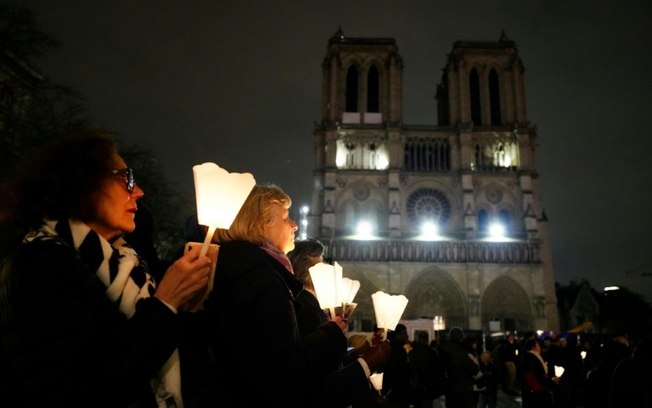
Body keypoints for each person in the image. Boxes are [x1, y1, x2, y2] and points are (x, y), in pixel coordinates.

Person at [0, 129, 212, 408]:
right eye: (126, 179)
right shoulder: (39, 265)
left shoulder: (123, 261)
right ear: (80, 182)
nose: (138, 191)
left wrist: (187, 305)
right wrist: (165, 303)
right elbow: (79, 389)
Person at [183, 184, 389, 407]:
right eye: (285, 217)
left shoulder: (238, 268)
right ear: (260, 225)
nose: (295, 225)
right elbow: (283, 380)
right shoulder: (261, 279)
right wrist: (333, 336)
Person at [521, 338, 559, 408]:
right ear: (533, 347)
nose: (540, 347)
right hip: (537, 391)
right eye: (538, 345)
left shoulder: (529, 356)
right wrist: (551, 380)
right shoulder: (533, 358)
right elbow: (538, 375)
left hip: (530, 391)